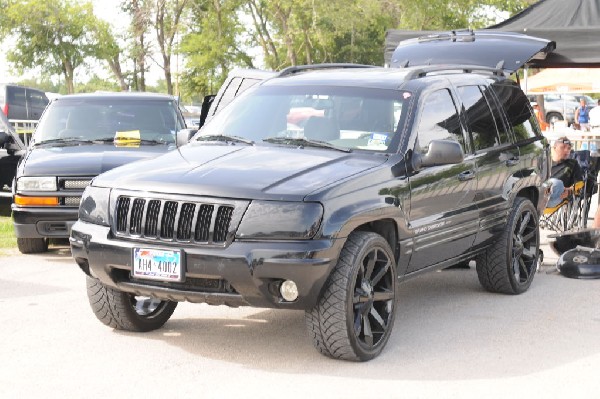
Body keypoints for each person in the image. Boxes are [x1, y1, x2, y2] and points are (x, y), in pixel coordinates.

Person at [545, 137, 583, 209]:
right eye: (563, 147)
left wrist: (570, 191)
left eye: (569, 148)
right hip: (540, 193)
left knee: (556, 183)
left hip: (557, 195)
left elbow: (579, 184)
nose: (566, 150)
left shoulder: (573, 164)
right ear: (554, 148)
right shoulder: (545, 162)